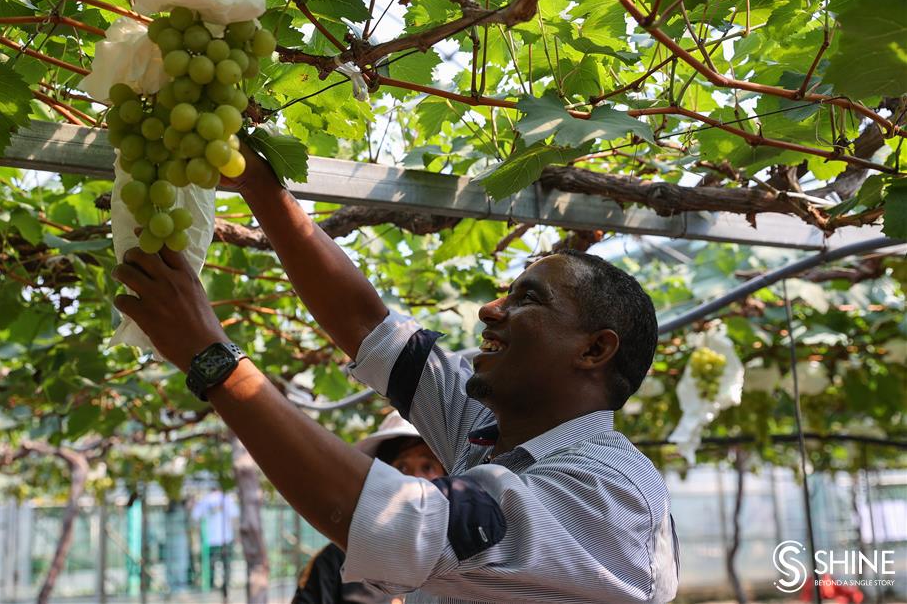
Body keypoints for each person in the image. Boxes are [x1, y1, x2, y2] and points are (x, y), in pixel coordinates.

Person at [112, 146, 680, 603]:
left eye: (527, 299)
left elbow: (403, 523)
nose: (490, 310)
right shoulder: (491, 431)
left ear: (594, 350)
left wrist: (213, 358)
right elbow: (369, 326)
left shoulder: (609, 489)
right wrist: (261, 186)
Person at [293, 411, 447, 604]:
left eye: (427, 467)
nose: (414, 480)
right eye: (402, 468)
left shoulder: (469, 560)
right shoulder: (336, 560)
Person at [190, 485, 239, 595]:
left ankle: (211, 585)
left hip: (210, 539)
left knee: (211, 564)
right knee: (227, 564)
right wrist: (237, 535)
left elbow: (195, 516)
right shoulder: (227, 499)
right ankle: (226, 585)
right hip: (226, 538)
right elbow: (235, 517)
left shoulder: (204, 500)